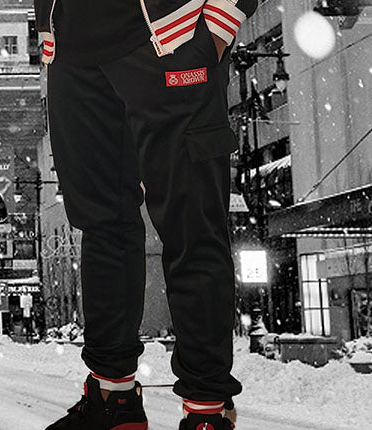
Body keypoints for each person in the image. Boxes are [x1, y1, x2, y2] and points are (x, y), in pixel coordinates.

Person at [33, 0, 258, 429]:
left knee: (192, 227)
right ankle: (112, 399)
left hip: (170, 36)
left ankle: (206, 412)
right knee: (102, 226)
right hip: (71, 51)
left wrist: (221, 21)